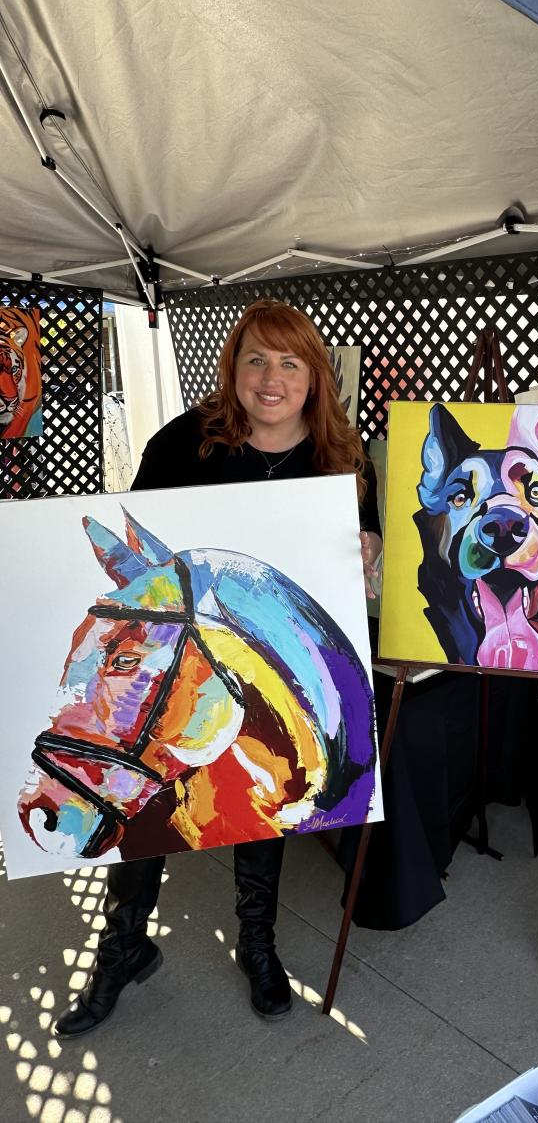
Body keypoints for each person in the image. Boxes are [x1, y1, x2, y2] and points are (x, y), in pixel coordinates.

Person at [52, 300, 382, 1037]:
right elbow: (138, 560)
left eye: (289, 363)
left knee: (262, 799)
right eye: (255, 360)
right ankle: (123, 948)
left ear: (313, 376)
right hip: (179, 669)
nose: (271, 379)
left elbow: (368, 554)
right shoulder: (184, 443)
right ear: (232, 368)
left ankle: (257, 942)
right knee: (145, 804)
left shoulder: (342, 458)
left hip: (266, 668)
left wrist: (366, 554)